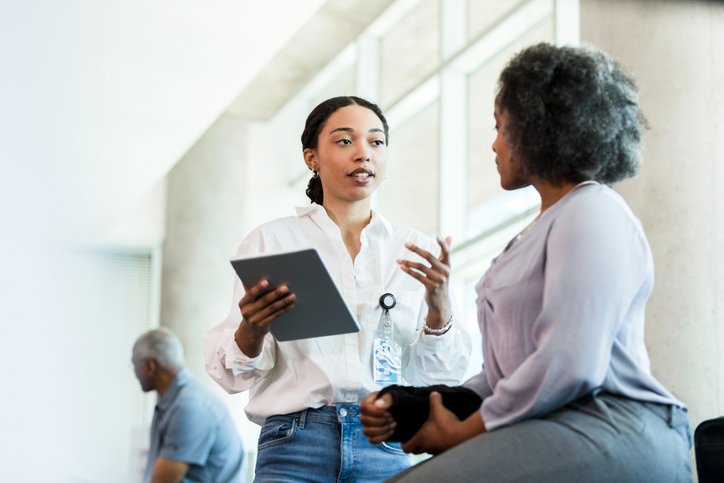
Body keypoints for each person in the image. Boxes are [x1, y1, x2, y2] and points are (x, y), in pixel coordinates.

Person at [360, 43, 693, 482]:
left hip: (614, 423)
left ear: (538, 128)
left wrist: (461, 434)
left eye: (500, 127)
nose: (494, 144)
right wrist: (425, 405)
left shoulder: (592, 210)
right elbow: (513, 373)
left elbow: (566, 363)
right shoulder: (536, 232)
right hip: (551, 423)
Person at [203, 96, 471, 482]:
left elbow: (436, 376)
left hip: (386, 441)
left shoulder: (416, 251)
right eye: (345, 141)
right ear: (311, 157)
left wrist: (440, 309)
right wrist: (253, 328)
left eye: (376, 142)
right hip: (294, 445)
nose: (364, 154)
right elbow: (234, 375)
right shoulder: (274, 242)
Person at [132, 328, 245, 483]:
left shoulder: (190, 406)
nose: (133, 372)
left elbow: (163, 481)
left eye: (134, 364)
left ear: (148, 367)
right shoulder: (174, 399)